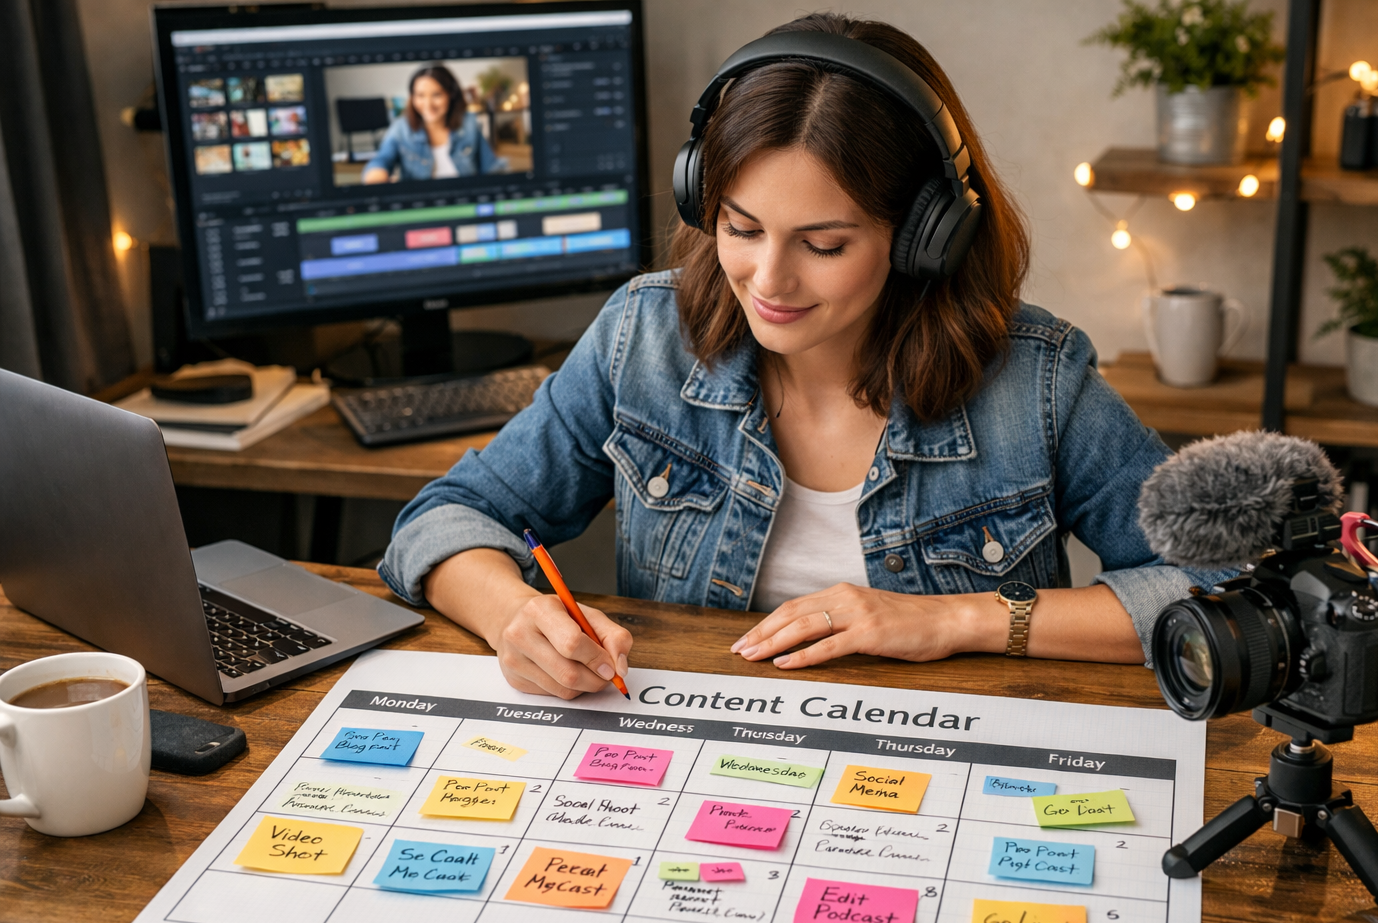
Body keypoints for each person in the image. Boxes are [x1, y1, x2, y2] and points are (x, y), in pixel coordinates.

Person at [378, 14, 1233, 701]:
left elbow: (1222, 590)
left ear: (926, 236)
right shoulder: (644, 334)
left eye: (823, 244)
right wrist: (514, 616)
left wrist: (957, 621)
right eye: (741, 229)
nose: (768, 280)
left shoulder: (1035, 379)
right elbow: (446, 519)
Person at [362, 65, 503, 183]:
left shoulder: (468, 123)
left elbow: (492, 167)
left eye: (436, 95)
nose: (428, 105)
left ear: (450, 94)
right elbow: (381, 160)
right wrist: (376, 174)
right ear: (412, 97)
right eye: (420, 95)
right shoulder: (401, 128)